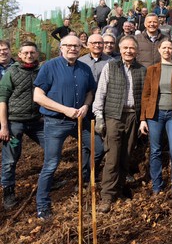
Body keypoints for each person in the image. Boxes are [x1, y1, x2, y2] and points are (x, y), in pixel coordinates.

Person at [33, 35, 98, 220]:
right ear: (61, 47)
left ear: (80, 48)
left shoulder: (84, 68)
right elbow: (38, 96)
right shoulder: (49, 67)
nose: (72, 49)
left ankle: (85, 181)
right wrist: (65, 110)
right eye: (68, 45)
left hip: (79, 121)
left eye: (76, 46)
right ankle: (43, 206)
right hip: (55, 122)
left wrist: (86, 106)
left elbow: (89, 92)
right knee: (51, 164)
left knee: (98, 148)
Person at [93, 35, 146, 213]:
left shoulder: (142, 70)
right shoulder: (111, 66)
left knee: (126, 155)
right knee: (112, 156)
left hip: (133, 116)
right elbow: (100, 92)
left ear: (136, 51)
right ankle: (107, 196)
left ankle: (120, 190)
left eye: (132, 48)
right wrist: (99, 116)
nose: (129, 51)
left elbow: (145, 97)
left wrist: (143, 119)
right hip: (114, 116)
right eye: (125, 48)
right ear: (120, 49)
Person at [139, 39, 172, 206]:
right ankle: (157, 188)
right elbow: (146, 95)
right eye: (164, 47)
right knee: (155, 151)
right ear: (159, 49)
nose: (167, 50)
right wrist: (143, 119)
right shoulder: (152, 70)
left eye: (170, 47)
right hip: (155, 115)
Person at [0, 41, 43, 210]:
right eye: (25, 53)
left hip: (37, 122)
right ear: (19, 55)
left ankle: (46, 180)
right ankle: (8, 191)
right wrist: (4, 126)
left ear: (37, 54)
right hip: (15, 122)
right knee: (10, 159)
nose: (29, 55)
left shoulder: (41, 71)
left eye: (32, 52)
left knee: (52, 148)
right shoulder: (11, 72)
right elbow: (2, 100)